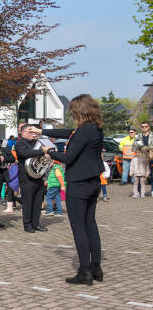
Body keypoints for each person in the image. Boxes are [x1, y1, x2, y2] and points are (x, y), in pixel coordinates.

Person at [30, 94, 104, 284]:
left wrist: (49, 151)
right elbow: (69, 133)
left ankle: (85, 272)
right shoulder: (94, 128)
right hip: (94, 182)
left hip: (79, 184)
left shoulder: (83, 131)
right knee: (90, 224)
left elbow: (68, 157)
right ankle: (96, 268)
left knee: (78, 226)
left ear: (79, 111)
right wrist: (42, 132)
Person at [14, 123, 48, 233]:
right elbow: (24, 153)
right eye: (30, 131)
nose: (33, 133)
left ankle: (36, 223)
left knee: (38, 201)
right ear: (23, 132)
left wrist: (46, 154)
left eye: (34, 132)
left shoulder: (37, 143)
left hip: (38, 176)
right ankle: (27, 225)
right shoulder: (20, 143)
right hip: (26, 177)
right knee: (28, 202)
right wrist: (42, 151)